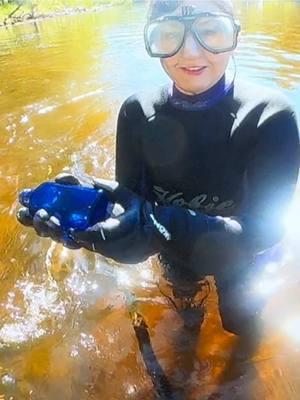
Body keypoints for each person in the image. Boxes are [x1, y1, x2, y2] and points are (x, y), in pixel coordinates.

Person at [17, 0, 300, 339]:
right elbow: (132, 219)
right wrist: (92, 224)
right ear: (151, 42)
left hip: (241, 253)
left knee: (241, 324)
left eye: (211, 30)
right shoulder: (137, 113)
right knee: (186, 314)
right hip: (174, 251)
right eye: (169, 35)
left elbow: (265, 232)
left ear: (235, 35)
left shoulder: (270, 117)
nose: (191, 53)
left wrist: (155, 222)